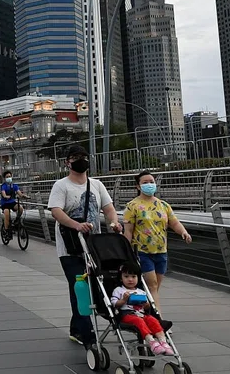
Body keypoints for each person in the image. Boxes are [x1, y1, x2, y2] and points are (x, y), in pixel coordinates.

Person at [48, 144, 121, 346]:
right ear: (67, 162)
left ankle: (76, 327)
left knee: (96, 285)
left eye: (83, 156)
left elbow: (108, 208)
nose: (80, 160)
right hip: (70, 247)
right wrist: (76, 225)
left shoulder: (96, 184)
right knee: (79, 287)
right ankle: (85, 332)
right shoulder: (61, 186)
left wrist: (114, 223)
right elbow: (56, 211)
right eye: (75, 157)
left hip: (93, 246)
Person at [123, 171, 191, 316]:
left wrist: (183, 232)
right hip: (142, 251)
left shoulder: (163, 205)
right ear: (138, 186)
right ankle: (158, 317)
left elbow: (174, 222)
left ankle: (145, 312)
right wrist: (126, 252)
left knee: (154, 287)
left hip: (161, 251)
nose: (149, 185)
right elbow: (128, 231)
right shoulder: (132, 206)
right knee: (152, 285)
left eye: (151, 181)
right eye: (145, 182)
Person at [111, 263, 174, 355]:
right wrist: (123, 300)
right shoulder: (119, 290)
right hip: (127, 315)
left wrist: (146, 305)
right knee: (139, 321)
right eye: (126, 276)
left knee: (153, 320)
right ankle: (152, 342)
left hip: (141, 314)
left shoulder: (141, 291)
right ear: (121, 278)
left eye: (133, 276)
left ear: (138, 278)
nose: (130, 279)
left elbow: (146, 307)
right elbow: (115, 304)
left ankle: (163, 342)